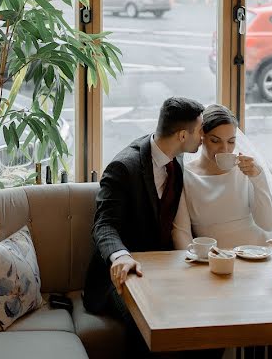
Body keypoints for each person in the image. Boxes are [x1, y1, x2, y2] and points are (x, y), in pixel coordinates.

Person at [83, 96, 204, 353]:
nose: (203, 137)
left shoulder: (177, 160)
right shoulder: (123, 167)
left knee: (207, 319)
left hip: (163, 270)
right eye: (200, 130)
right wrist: (120, 257)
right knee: (146, 321)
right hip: (122, 274)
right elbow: (103, 225)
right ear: (183, 135)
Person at [172, 104, 272, 250]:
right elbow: (181, 232)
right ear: (201, 137)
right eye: (215, 141)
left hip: (257, 252)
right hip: (214, 259)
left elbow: (268, 224)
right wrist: (193, 263)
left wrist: (257, 178)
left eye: (231, 141)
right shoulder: (185, 175)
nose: (225, 149)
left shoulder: (246, 170)